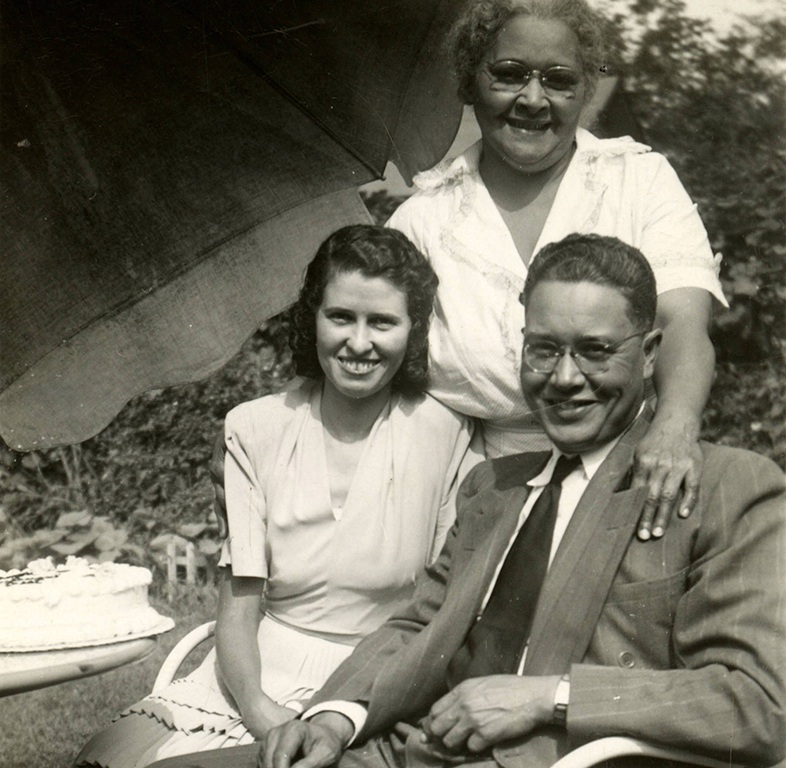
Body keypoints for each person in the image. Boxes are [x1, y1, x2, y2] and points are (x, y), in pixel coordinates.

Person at [150, 234, 786, 768]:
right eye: (544, 350)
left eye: (595, 351)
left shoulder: (727, 488)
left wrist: (550, 697)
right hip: (406, 750)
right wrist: (335, 718)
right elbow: (416, 626)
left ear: (647, 356)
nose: (565, 378)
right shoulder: (495, 487)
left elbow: (759, 704)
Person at [74, 225, 481, 768]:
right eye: (341, 317)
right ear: (312, 318)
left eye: (382, 322)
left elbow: (440, 613)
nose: (359, 343)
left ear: (413, 329)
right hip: (256, 677)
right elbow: (239, 610)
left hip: (378, 682)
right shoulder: (254, 429)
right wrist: (261, 711)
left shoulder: (446, 433)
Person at [388, 0, 728, 537]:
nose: (532, 99)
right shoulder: (422, 220)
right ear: (470, 80)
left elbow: (683, 319)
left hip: (627, 477)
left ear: (586, 90)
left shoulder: (639, 182)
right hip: (470, 495)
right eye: (509, 74)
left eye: (558, 80)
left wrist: (675, 425)